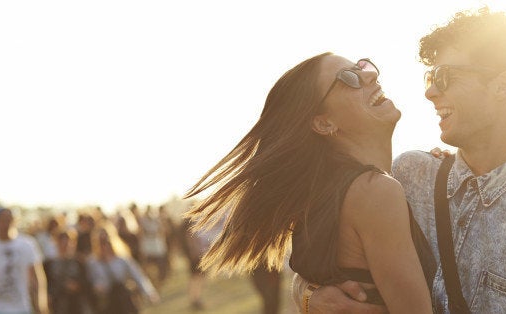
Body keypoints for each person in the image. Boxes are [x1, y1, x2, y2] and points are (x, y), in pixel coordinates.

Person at [294, 7, 506, 313]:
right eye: (430, 76)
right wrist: (309, 296)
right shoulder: (406, 174)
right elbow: (328, 265)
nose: (430, 92)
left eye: (444, 76)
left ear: (502, 85)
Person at [184, 52, 432, 313]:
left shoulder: (324, 196)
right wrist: (304, 293)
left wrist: (304, 292)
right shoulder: (375, 192)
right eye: (349, 77)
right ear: (324, 123)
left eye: (361, 66)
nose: (371, 74)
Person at [87, 227, 159, 314]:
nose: (105, 246)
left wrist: (150, 293)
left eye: (106, 241)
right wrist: (97, 286)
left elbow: (138, 276)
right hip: (108, 302)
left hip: (125, 298)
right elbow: (91, 281)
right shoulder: (93, 263)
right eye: (101, 243)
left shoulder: (122, 259)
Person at [0, 207, 49, 314]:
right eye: (3, 219)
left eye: (9, 219)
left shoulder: (27, 245)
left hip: (21, 308)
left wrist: (41, 306)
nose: (6, 223)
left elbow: (37, 278)